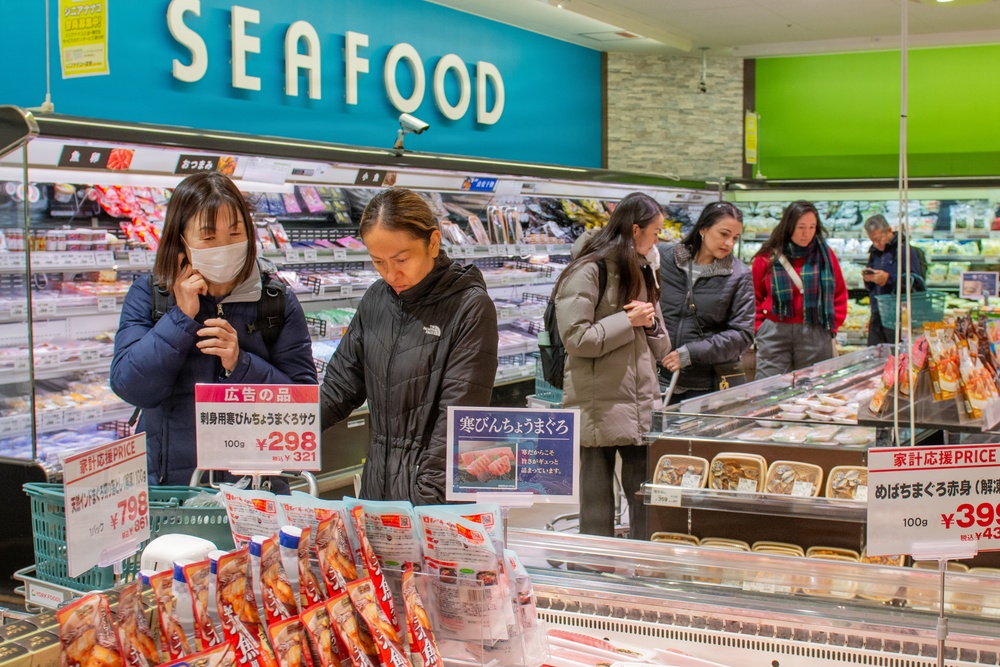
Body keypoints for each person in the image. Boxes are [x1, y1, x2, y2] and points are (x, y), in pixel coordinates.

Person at [111, 172, 317, 485]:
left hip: (256, 489)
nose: (224, 246)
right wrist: (180, 318)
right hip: (172, 490)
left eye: (235, 234)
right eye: (208, 238)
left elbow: (304, 406)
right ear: (180, 240)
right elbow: (131, 387)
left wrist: (241, 364)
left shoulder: (276, 301)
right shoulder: (150, 295)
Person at [320, 187, 498, 505]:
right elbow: (339, 388)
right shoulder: (377, 299)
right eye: (378, 262)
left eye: (402, 259)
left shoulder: (470, 307)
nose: (391, 274)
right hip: (377, 487)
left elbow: (456, 421)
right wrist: (284, 434)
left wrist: (423, 504)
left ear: (433, 242)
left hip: (432, 498)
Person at [553, 192, 671, 539]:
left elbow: (661, 345)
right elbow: (576, 339)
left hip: (640, 403)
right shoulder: (588, 270)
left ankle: (645, 562)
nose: (657, 240)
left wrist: (649, 324)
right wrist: (627, 321)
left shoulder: (644, 269)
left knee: (645, 498)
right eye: (655, 232)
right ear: (635, 230)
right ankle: (593, 566)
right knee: (596, 506)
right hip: (597, 405)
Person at [658, 201, 754, 400]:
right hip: (658, 380)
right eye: (724, 234)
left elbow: (742, 334)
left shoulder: (739, 275)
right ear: (703, 229)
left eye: (735, 238)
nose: (729, 243)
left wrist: (691, 353)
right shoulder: (664, 259)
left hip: (706, 385)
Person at [752, 200, 848, 379]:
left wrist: (832, 327)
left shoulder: (826, 256)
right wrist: (760, 328)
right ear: (789, 226)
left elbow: (840, 293)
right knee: (769, 388)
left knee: (814, 387)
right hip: (775, 332)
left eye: (812, 227)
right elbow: (753, 296)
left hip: (815, 330)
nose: (807, 233)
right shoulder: (767, 257)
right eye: (801, 227)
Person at [863, 214, 926, 345]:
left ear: (889, 231)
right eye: (872, 240)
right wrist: (868, 279)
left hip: (900, 316)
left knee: (897, 353)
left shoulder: (905, 251)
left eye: (879, 239)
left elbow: (916, 282)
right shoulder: (875, 253)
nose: (876, 244)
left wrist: (888, 279)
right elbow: (870, 288)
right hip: (878, 315)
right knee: (875, 354)